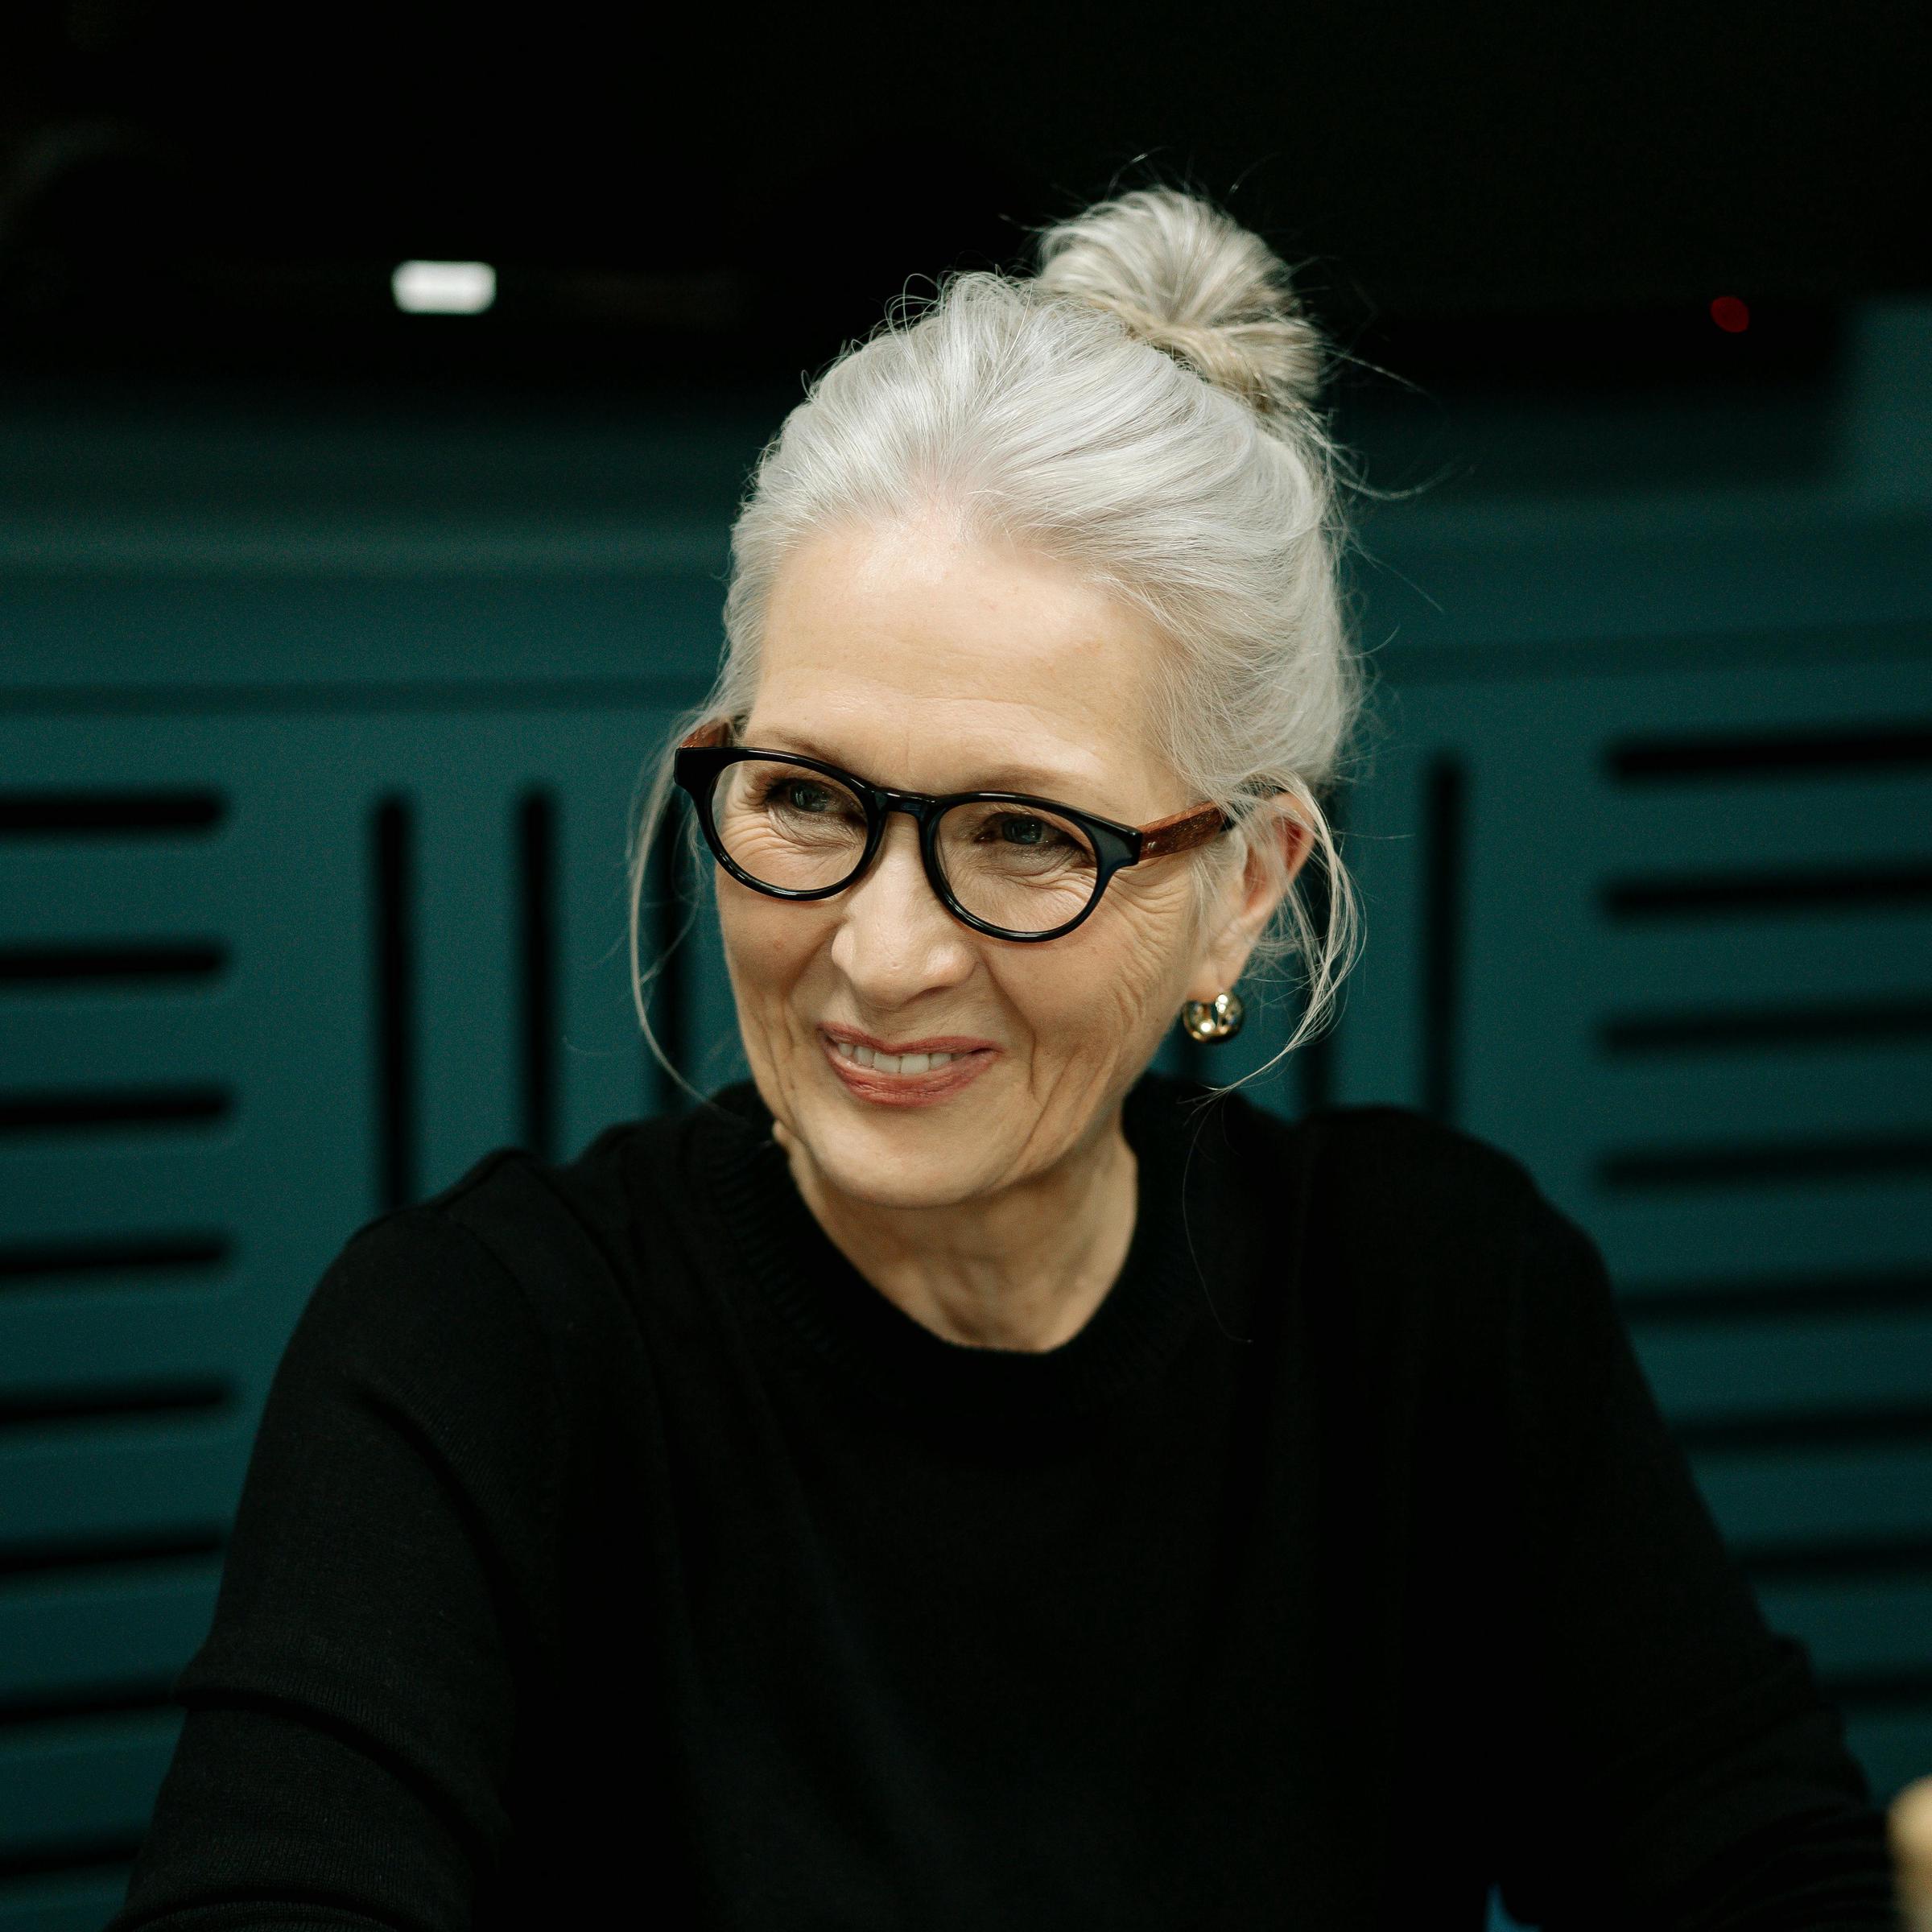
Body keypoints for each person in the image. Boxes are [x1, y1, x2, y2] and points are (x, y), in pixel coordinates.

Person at [108, 188, 1901, 1930]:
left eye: (1027, 838)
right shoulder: (480, 1348)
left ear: (1243, 895)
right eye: (806, 800)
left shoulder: (1440, 1309)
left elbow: (1753, 1868)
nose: (879, 958)